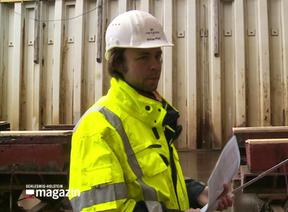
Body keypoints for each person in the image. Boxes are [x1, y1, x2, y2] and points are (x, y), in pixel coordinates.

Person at [68, 10, 232, 212]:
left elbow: (156, 184)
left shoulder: (153, 116)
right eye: (144, 57)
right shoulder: (97, 127)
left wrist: (197, 193)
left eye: (158, 56)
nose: (155, 66)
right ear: (118, 63)